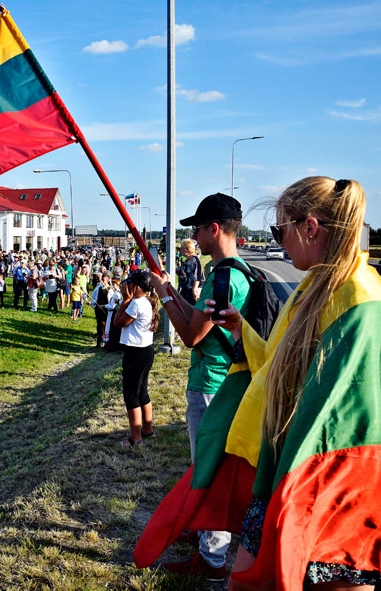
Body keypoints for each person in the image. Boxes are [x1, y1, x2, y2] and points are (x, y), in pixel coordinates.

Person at [207, 178, 381, 591]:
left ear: (310, 227)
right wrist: (242, 332)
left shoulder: (357, 293)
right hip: (292, 459)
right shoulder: (315, 283)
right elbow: (281, 364)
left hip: (336, 479)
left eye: (278, 231)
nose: (278, 241)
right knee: (252, 575)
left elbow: (354, 400)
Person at [148, 192, 253, 581]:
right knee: (207, 466)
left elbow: (192, 335)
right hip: (222, 382)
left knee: (209, 470)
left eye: (197, 227)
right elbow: (199, 319)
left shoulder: (224, 276)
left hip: (212, 384)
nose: (193, 234)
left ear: (214, 229)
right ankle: (209, 536)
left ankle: (211, 562)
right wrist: (173, 291)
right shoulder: (232, 272)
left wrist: (163, 296)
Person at [113, 270, 159, 447]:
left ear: (137, 287)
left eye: (129, 283)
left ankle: (135, 438)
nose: (126, 286)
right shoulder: (147, 301)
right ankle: (147, 429)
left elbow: (118, 323)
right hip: (146, 351)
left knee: (131, 394)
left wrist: (125, 300)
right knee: (142, 392)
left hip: (135, 353)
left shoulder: (136, 304)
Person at [177, 239, 204, 304]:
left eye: (182, 248)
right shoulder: (188, 260)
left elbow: (197, 276)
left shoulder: (194, 260)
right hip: (185, 290)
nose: (181, 250)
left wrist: (194, 290)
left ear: (187, 249)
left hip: (190, 291)